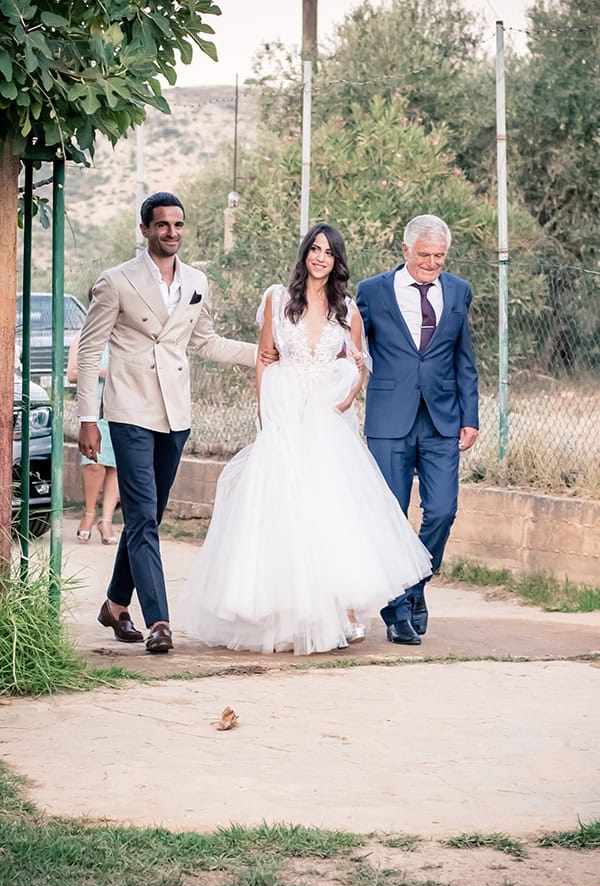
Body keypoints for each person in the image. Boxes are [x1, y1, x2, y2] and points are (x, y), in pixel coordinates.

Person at [183, 223, 432, 655]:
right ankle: (286, 613)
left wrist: (346, 396)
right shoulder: (277, 298)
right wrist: (265, 413)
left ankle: (339, 612)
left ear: (337, 262)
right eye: (314, 249)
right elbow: (264, 359)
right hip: (284, 415)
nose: (320, 257)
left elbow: (358, 362)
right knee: (283, 511)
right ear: (305, 254)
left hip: (325, 421)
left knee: (329, 513)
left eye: (328, 252)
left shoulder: (347, 309)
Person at [77, 191, 259, 654]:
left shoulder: (197, 281)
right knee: (141, 517)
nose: (171, 232)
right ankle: (159, 621)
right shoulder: (115, 281)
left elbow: (207, 342)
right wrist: (87, 418)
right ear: (145, 230)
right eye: (162, 225)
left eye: (178, 225)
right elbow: (88, 349)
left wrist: (263, 355)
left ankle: (116, 605)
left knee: (148, 516)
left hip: (175, 415)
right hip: (129, 411)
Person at [356, 214, 479, 646]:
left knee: (443, 510)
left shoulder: (460, 291)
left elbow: (464, 358)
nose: (432, 264)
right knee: (390, 514)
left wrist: (471, 416)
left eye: (440, 257)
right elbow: (351, 350)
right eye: (424, 255)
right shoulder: (371, 292)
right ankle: (396, 611)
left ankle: (414, 586)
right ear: (405, 250)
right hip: (389, 418)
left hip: (443, 418)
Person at [68, 331, 120, 545]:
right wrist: (104, 372)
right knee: (93, 463)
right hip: (93, 409)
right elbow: (72, 373)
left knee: (117, 466)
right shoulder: (83, 336)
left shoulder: (124, 335)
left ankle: (106, 520)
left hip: (119, 408)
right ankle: (88, 514)